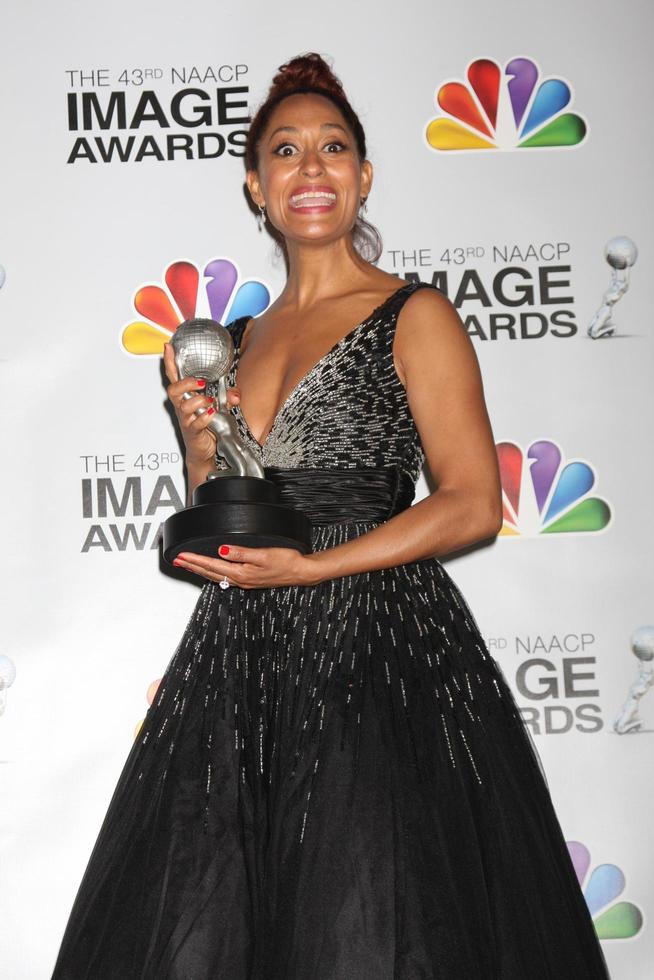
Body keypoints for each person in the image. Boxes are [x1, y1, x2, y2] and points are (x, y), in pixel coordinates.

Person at [51, 53, 611, 979]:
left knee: (368, 919)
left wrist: (316, 567)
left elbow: (473, 502)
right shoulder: (226, 345)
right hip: (243, 657)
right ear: (255, 186)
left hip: (381, 653)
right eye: (286, 151)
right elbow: (223, 498)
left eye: (333, 148)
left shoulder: (413, 314)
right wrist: (197, 429)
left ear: (363, 175)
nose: (311, 169)